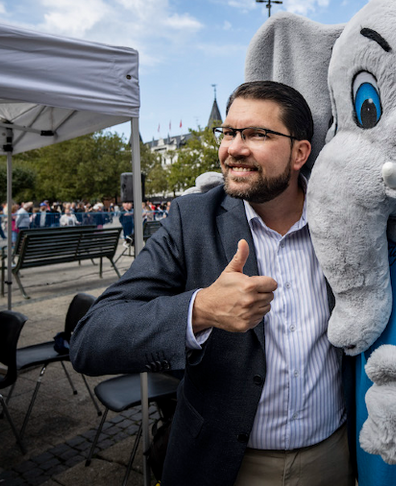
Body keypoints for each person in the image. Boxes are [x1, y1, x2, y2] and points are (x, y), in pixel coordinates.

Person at [71, 81, 352, 486]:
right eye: (229, 133)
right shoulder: (191, 220)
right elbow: (91, 339)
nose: (234, 148)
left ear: (299, 152)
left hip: (332, 457)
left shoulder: (343, 219)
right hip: (224, 464)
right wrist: (199, 310)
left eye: (257, 134)